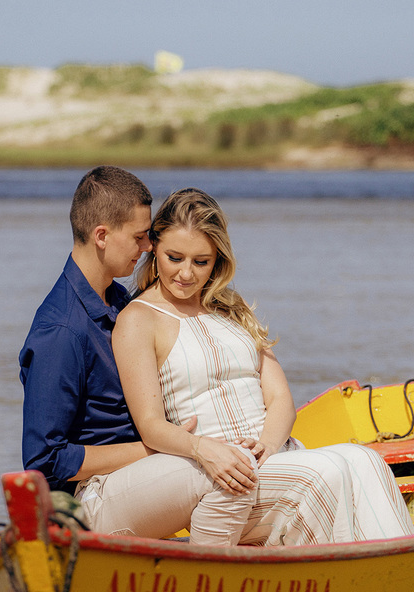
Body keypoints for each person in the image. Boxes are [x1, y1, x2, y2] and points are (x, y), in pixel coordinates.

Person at [112, 187, 414, 546]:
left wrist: (269, 445)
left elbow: (279, 397)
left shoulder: (231, 308)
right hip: (225, 475)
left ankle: (404, 567)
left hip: (275, 454)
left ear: (217, 260)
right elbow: (150, 426)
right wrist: (204, 449)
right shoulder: (138, 319)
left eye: (201, 262)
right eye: (174, 258)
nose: (186, 273)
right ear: (154, 248)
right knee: (329, 471)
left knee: (366, 459)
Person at [19, 166, 252, 541]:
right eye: (140, 237)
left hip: (144, 481)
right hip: (86, 502)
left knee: (231, 465)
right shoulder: (61, 331)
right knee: (211, 470)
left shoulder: (117, 299)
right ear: (102, 236)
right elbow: (45, 461)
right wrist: (155, 449)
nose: (147, 248)